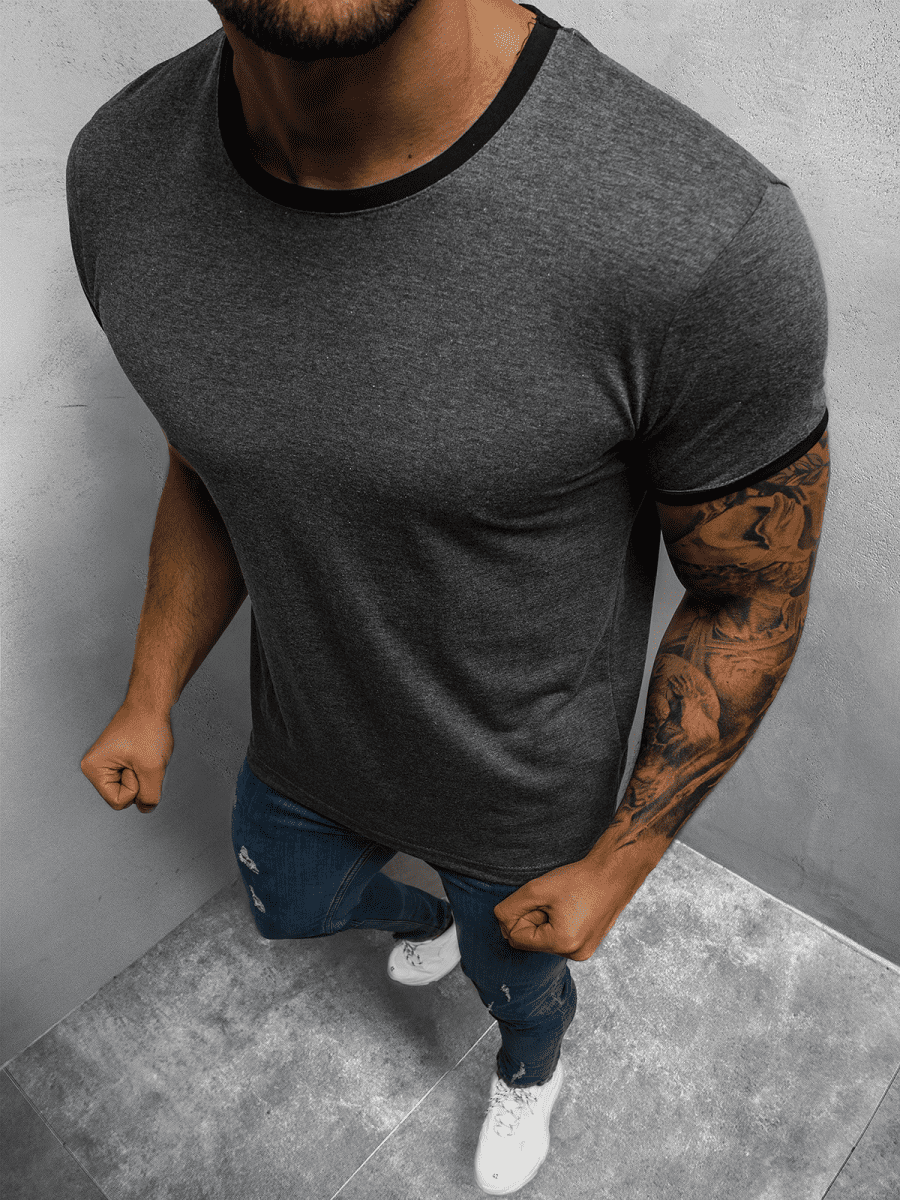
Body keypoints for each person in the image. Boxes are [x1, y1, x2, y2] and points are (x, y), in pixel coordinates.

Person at [74, 1, 831, 1194]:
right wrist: (148, 695)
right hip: (308, 734)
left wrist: (619, 864)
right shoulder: (119, 174)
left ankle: (532, 1067)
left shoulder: (701, 236)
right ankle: (421, 921)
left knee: (519, 988)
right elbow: (212, 461)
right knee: (290, 904)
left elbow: (752, 592)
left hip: (518, 796)